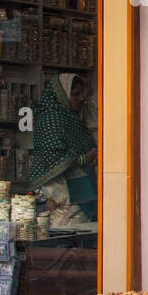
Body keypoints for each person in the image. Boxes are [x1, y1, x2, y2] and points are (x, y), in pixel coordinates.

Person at [27, 74, 98, 224]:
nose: (82, 99)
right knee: (63, 231)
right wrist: (87, 157)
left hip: (72, 188)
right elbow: (55, 156)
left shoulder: (70, 119)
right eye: (76, 94)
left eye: (82, 94)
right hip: (57, 188)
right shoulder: (52, 119)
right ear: (61, 95)